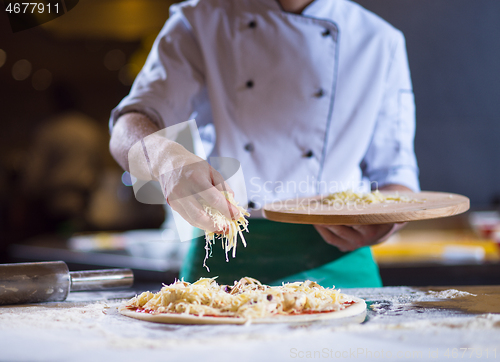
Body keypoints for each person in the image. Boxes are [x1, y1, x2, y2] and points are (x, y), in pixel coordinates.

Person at [109, 0, 419, 288]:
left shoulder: (380, 41)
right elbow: (127, 126)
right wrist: (168, 160)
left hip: (341, 260)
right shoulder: (201, 20)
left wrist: (386, 222)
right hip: (223, 253)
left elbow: (398, 176)